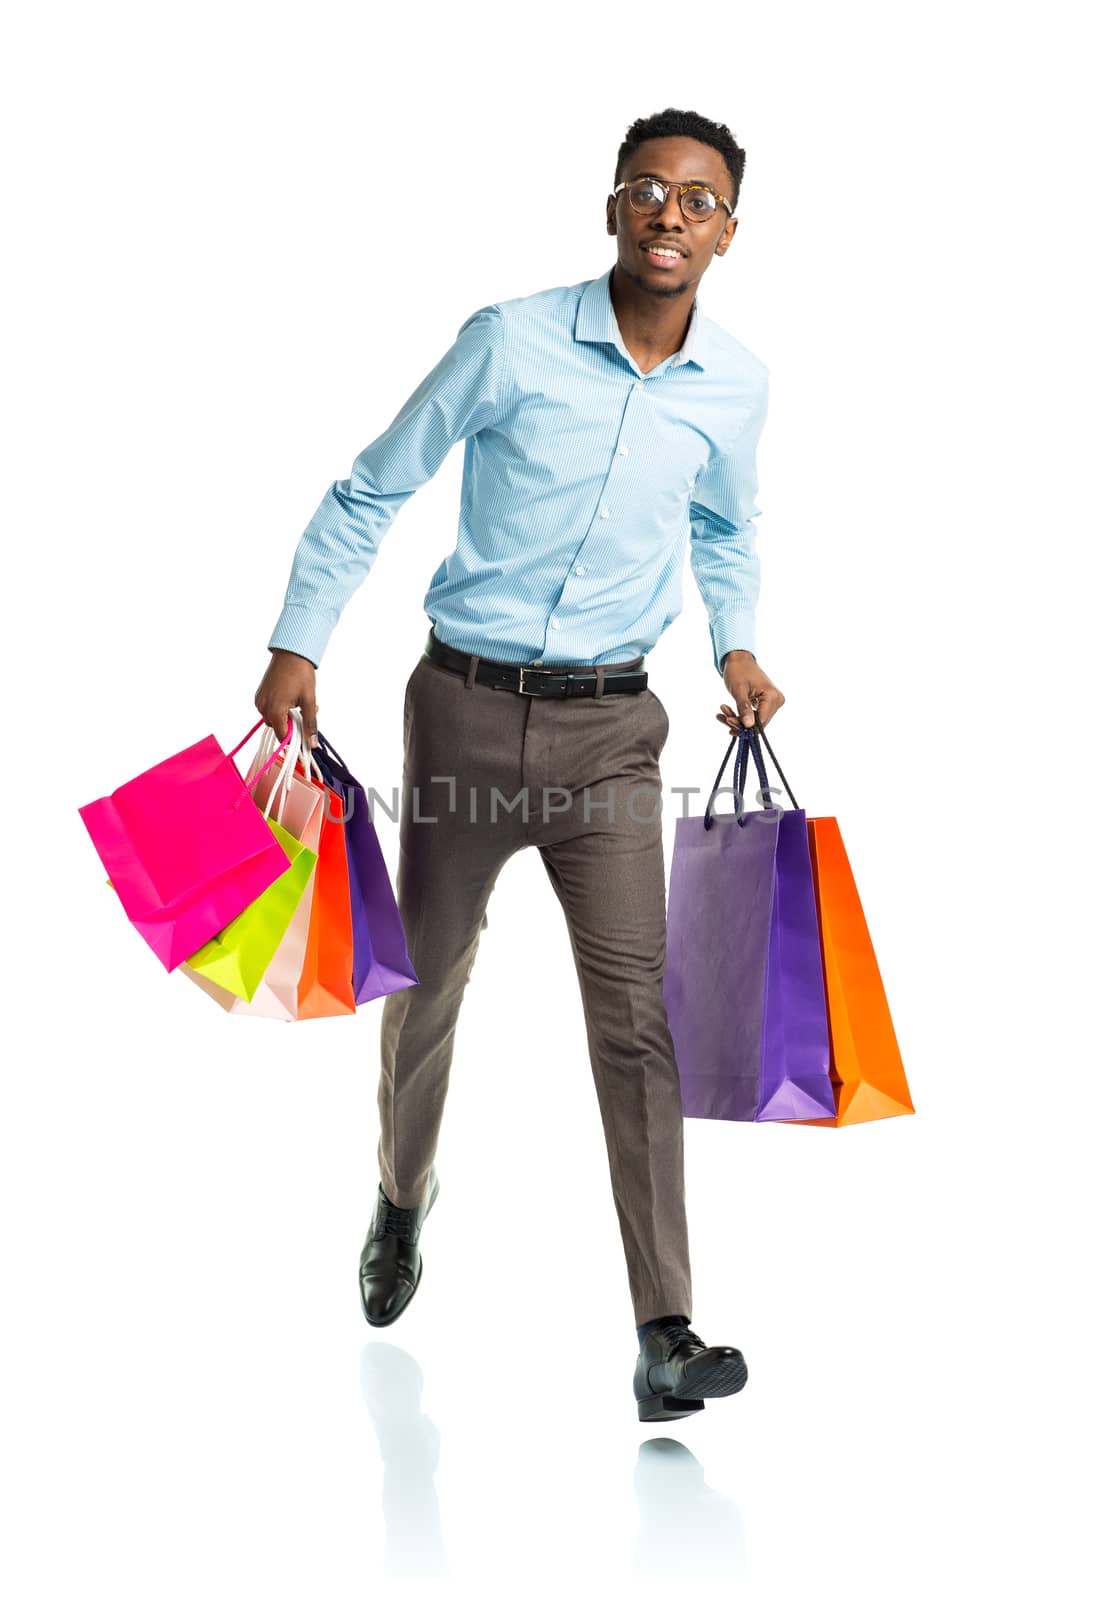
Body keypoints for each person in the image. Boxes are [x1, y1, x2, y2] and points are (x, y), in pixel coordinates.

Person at [255, 106, 785, 1423]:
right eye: (649, 190)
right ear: (613, 208)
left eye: (700, 199)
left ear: (732, 231)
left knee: (637, 1020)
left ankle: (665, 1327)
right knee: (425, 983)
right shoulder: (510, 342)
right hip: (468, 718)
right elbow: (373, 487)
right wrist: (296, 640)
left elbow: (725, 528)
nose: (672, 214)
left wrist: (737, 647)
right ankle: (400, 1191)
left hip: (617, 737)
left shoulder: (737, 385)